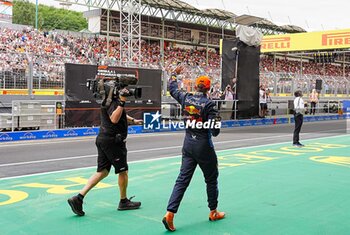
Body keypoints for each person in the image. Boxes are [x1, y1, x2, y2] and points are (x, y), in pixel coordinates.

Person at [162, 66, 225, 232]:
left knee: (182, 180)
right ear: (208, 89)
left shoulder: (185, 97)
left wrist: (174, 74)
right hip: (204, 145)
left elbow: (172, 88)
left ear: (196, 86)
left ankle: (170, 213)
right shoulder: (210, 104)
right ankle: (213, 211)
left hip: (188, 144)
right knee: (211, 178)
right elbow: (215, 132)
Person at [67, 88, 143, 216]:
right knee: (123, 171)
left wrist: (133, 121)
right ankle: (123, 201)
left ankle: (78, 198)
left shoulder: (108, 102)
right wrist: (122, 102)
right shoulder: (114, 103)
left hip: (104, 139)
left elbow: (121, 114)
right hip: (113, 142)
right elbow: (114, 118)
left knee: (102, 172)